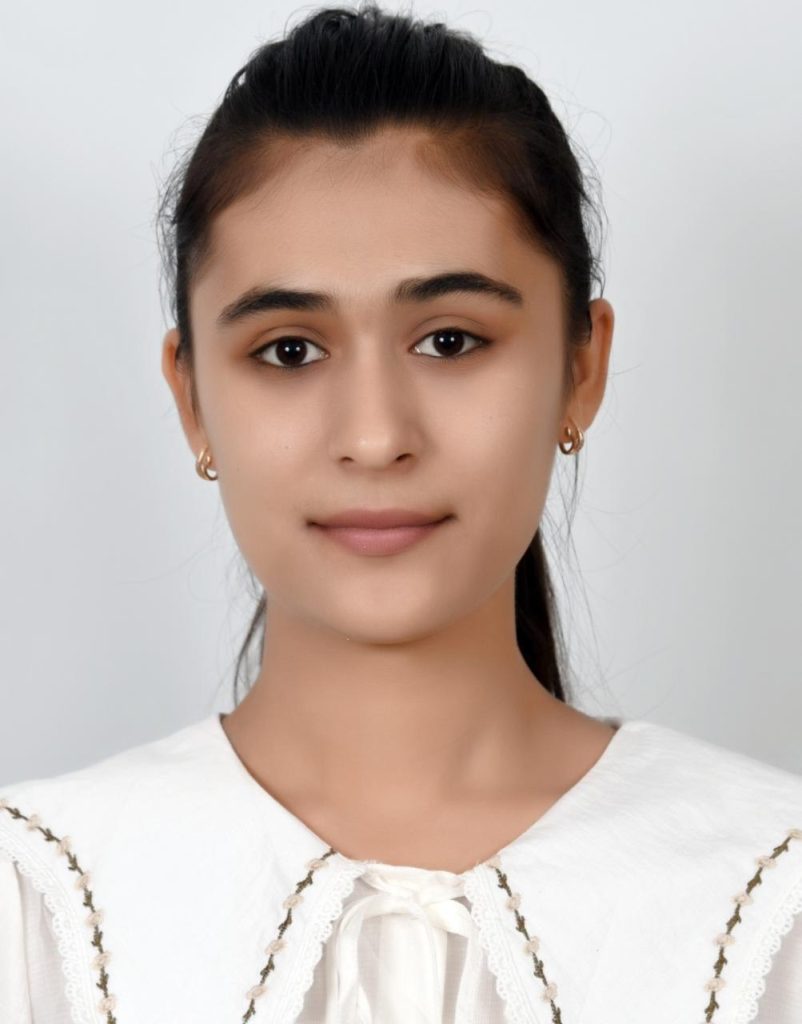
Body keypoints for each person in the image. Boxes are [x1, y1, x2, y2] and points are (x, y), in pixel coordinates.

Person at [2, 4, 801, 1022]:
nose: (376, 436)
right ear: (192, 397)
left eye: (451, 341)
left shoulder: (770, 896)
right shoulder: (37, 908)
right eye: (289, 349)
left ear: (580, 368)